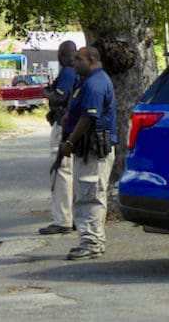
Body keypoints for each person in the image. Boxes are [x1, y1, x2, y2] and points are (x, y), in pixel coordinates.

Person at [59, 46, 116, 260]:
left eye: (78, 59)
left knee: (90, 196)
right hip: (87, 150)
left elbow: (88, 118)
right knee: (86, 195)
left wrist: (70, 141)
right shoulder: (88, 82)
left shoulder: (95, 84)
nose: (73, 63)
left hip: (93, 149)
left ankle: (91, 243)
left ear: (91, 59)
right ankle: (90, 241)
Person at [38, 40, 79, 235]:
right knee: (69, 171)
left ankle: (62, 219)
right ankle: (71, 216)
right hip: (70, 124)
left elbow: (60, 97)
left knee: (60, 170)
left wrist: (46, 92)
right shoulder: (78, 71)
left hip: (63, 125)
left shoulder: (68, 71)